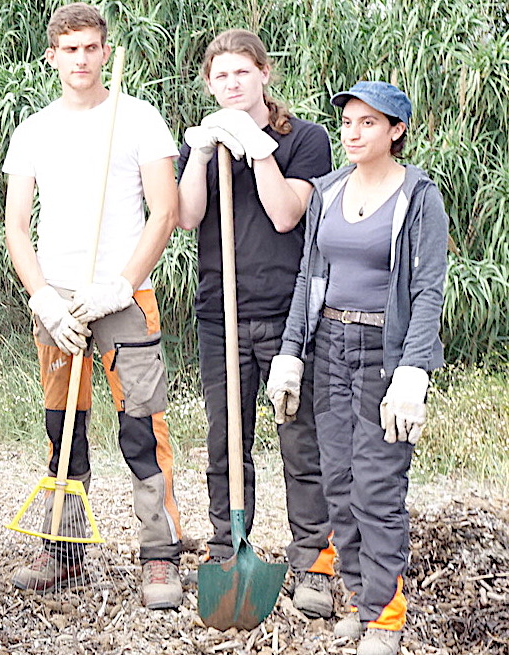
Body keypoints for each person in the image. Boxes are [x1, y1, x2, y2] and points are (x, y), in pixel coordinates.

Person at [3, 3, 185, 609]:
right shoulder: (34, 130)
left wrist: (124, 280)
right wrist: (42, 296)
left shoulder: (137, 120)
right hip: (59, 303)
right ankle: (64, 551)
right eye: (68, 49)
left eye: (90, 48)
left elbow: (164, 213)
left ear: (105, 52)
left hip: (123, 298)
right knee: (63, 429)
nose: (80, 59)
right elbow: (14, 228)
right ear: (51, 56)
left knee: (141, 425)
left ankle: (159, 555)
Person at [269, 81, 447, 655]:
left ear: (395, 130)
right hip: (330, 344)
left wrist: (414, 370)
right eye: (347, 121)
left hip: (383, 350)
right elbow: (307, 275)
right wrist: (292, 350)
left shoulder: (418, 196)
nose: (351, 132)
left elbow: (427, 289)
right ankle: (357, 599)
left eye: (367, 123)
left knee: (377, 483)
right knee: (338, 478)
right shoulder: (327, 190)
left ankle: (386, 614)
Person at [175, 29, 337, 617]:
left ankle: (314, 560)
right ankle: (227, 546)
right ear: (210, 84)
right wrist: (200, 152)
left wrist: (257, 146)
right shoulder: (205, 142)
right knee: (225, 438)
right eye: (220, 76)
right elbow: (188, 216)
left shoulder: (305, 141)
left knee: (300, 440)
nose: (231, 84)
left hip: (288, 316)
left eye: (242, 72)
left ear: (264, 74)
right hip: (221, 314)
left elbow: (287, 212)